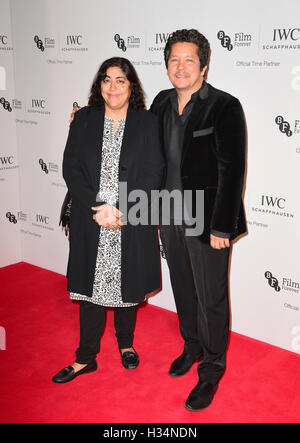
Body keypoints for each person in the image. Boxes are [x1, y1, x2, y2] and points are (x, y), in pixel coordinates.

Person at [149, 29, 246, 410]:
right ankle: (190, 346)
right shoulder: (159, 103)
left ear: (203, 65)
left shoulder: (224, 106)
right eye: (174, 59)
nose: (181, 66)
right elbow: (133, 133)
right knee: (183, 289)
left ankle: (212, 366)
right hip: (168, 214)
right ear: (167, 64)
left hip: (207, 221)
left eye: (189, 59)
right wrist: (88, 115)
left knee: (211, 296)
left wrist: (223, 226)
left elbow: (232, 169)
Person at [52, 57, 164, 384]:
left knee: (126, 284)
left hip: (131, 217)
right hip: (92, 217)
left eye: (120, 80)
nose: (112, 87)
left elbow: (154, 171)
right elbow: (71, 168)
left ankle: (126, 344)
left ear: (132, 87)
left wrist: (124, 211)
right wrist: (100, 207)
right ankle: (85, 357)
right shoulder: (84, 119)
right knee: (91, 288)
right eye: (106, 80)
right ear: (99, 85)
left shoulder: (147, 122)